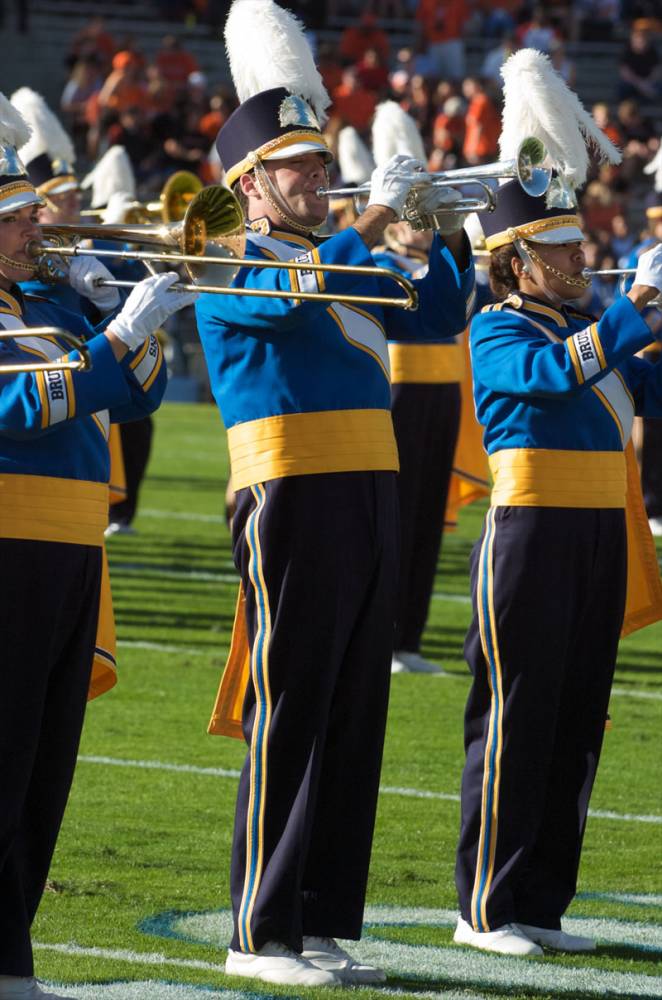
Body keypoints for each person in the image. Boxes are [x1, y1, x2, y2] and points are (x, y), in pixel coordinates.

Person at [197, 0, 472, 987]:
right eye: (297, 167)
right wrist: (364, 224)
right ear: (250, 183)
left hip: (367, 485)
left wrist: (426, 227)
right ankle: (255, 931)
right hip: (288, 489)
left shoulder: (340, 256)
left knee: (355, 708)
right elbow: (281, 296)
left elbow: (438, 309)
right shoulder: (227, 253)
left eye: (320, 164)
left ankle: (312, 916)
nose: (316, 177)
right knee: (292, 702)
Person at [0, 92, 197, 1000]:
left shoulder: (42, 299)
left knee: (46, 761)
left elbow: (139, 398)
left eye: (26, 213)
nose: (31, 227)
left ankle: (12, 950)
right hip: (9, 547)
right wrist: (109, 339)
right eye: (13, 219)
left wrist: (121, 314)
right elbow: (18, 408)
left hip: (71, 550)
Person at [453, 177, 662, 958]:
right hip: (530, 534)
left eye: (577, 242)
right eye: (560, 247)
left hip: (600, 534)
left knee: (578, 719)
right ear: (516, 262)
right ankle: (483, 905)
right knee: (518, 716)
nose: (582, 254)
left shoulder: (595, 327)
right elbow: (553, 375)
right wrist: (636, 304)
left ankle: (541, 899)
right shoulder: (498, 328)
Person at [370, 100, 475, 673]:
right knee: (397, 515)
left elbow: (456, 308)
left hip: (442, 397)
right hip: (398, 397)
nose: (417, 221)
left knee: (428, 516)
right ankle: (384, 636)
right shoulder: (379, 263)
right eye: (412, 211)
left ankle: (408, 638)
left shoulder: (435, 259)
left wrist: (448, 236)